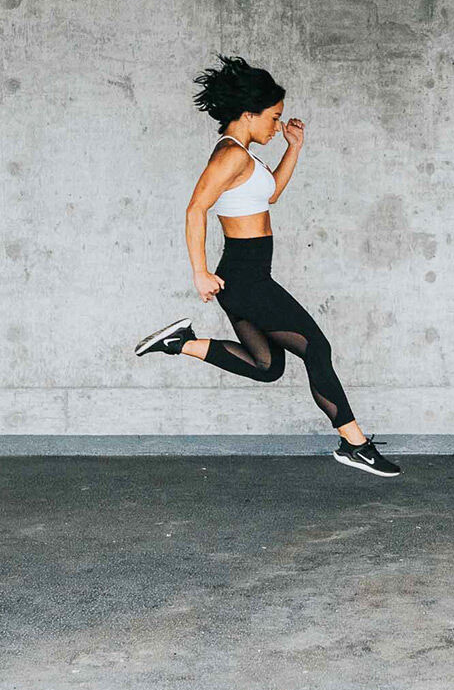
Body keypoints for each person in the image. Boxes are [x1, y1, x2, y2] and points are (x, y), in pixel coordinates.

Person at [134, 54, 401, 478]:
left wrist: (293, 149)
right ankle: (356, 444)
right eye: (273, 119)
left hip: (248, 277)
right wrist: (200, 272)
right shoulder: (229, 156)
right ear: (247, 114)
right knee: (317, 348)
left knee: (267, 366)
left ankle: (179, 342)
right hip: (244, 276)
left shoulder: (244, 154)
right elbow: (194, 209)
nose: (277, 127)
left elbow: (270, 193)